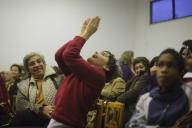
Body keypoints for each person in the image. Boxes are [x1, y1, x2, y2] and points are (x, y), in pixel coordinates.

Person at [47, 16, 113, 128]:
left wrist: (86, 35)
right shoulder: (79, 74)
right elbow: (60, 55)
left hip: (68, 123)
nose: (97, 52)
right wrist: (81, 33)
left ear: (107, 67)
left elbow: (69, 55)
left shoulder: (98, 76)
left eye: (104, 54)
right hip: (59, 120)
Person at [126, 48, 189, 128]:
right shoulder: (146, 98)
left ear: (180, 71)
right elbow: (133, 125)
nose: (164, 70)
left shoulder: (188, 97)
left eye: (170, 65)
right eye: (160, 65)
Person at [9, 52, 63, 127]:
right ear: (28, 69)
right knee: (19, 117)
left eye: (39, 61)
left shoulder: (57, 78)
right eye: (32, 64)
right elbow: (20, 105)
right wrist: (41, 109)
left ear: (44, 63)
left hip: (57, 116)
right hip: (35, 118)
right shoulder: (23, 84)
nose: (37, 65)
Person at [117, 57, 150, 124]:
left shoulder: (145, 77)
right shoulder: (137, 77)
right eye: (136, 68)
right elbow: (126, 88)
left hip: (134, 111)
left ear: (146, 67)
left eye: (141, 67)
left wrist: (118, 99)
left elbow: (134, 93)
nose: (139, 70)